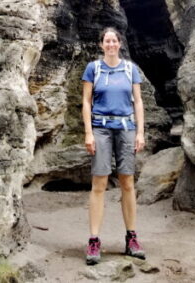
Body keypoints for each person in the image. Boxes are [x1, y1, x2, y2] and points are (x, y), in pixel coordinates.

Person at [81, 27, 146, 265]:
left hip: (126, 128)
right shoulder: (93, 68)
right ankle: (94, 241)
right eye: (107, 41)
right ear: (101, 45)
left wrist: (140, 132)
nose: (110, 44)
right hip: (100, 128)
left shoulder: (130, 69)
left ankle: (132, 238)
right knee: (99, 182)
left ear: (120, 44)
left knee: (127, 181)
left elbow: (138, 102)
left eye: (114, 40)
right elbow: (86, 102)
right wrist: (88, 133)